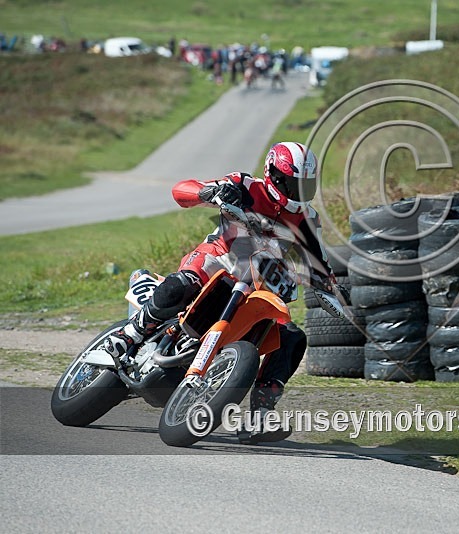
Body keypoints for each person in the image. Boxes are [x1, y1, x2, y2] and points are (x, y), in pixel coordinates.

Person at [104, 142, 338, 443]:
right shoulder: (244, 185)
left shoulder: (308, 219)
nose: (297, 192)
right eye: (291, 183)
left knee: (291, 335)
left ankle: (260, 415)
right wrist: (208, 193)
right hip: (218, 260)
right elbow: (182, 190)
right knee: (184, 283)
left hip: (257, 284)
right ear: (273, 175)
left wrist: (329, 284)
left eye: (304, 185)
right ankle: (129, 336)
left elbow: (321, 262)